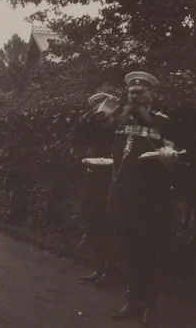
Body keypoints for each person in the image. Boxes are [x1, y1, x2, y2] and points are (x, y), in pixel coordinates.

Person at [102, 71, 179, 325]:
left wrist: (169, 160)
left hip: (150, 201)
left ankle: (150, 305)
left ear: (151, 95)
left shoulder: (162, 122)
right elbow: (87, 136)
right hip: (122, 197)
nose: (134, 95)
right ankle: (133, 302)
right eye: (131, 92)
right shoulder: (118, 120)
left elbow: (172, 153)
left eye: (140, 92)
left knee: (149, 253)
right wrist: (102, 112)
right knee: (128, 252)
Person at [74, 93, 119, 286]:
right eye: (97, 109)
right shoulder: (93, 127)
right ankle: (99, 268)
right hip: (94, 182)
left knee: (111, 226)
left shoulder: (120, 125)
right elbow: (78, 140)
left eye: (103, 108)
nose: (101, 112)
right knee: (93, 225)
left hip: (113, 181)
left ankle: (109, 271)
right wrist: (85, 121)